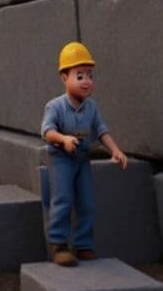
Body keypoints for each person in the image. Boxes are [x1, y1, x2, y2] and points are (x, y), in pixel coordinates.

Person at [41, 41, 127, 266]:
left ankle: (83, 244)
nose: (87, 81)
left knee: (87, 202)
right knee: (62, 199)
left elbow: (101, 130)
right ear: (64, 78)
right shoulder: (56, 106)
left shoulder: (91, 107)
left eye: (90, 75)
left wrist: (115, 150)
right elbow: (47, 131)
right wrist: (63, 139)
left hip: (81, 160)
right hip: (61, 160)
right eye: (80, 76)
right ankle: (58, 245)